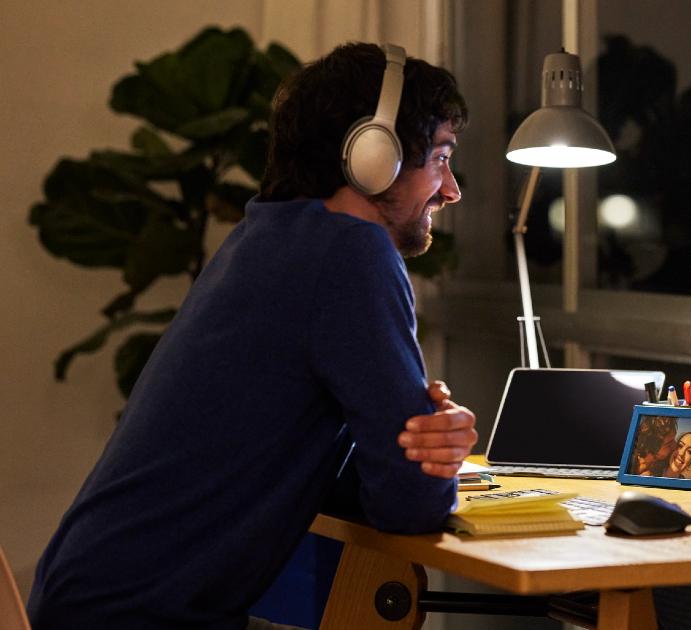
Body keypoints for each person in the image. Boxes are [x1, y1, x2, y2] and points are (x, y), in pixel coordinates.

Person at [28, 43, 480, 630]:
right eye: (441, 157)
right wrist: (433, 460)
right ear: (376, 153)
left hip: (90, 602)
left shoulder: (266, 237)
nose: (450, 190)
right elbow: (408, 507)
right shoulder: (351, 253)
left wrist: (414, 442)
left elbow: (336, 479)